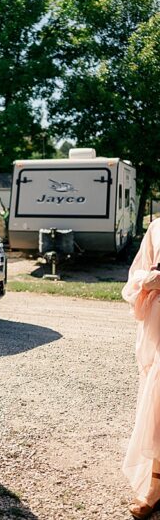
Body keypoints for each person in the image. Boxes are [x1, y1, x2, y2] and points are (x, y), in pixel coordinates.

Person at [122, 219, 160, 518]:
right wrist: (148, 281)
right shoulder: (157, 227)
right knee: (158, 404)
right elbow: (136, 275)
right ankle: (156, 486)